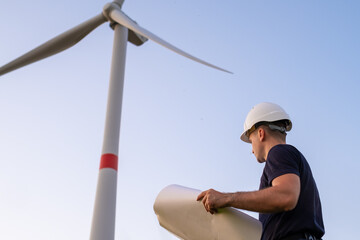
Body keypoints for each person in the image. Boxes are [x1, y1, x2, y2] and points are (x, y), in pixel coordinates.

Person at [197, 102, 325, 240]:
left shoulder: (279, 152)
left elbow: (286, 196)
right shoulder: (292, 158)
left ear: (261, 133)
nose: (252, 150)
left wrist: (226, 198)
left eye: (251, 141)